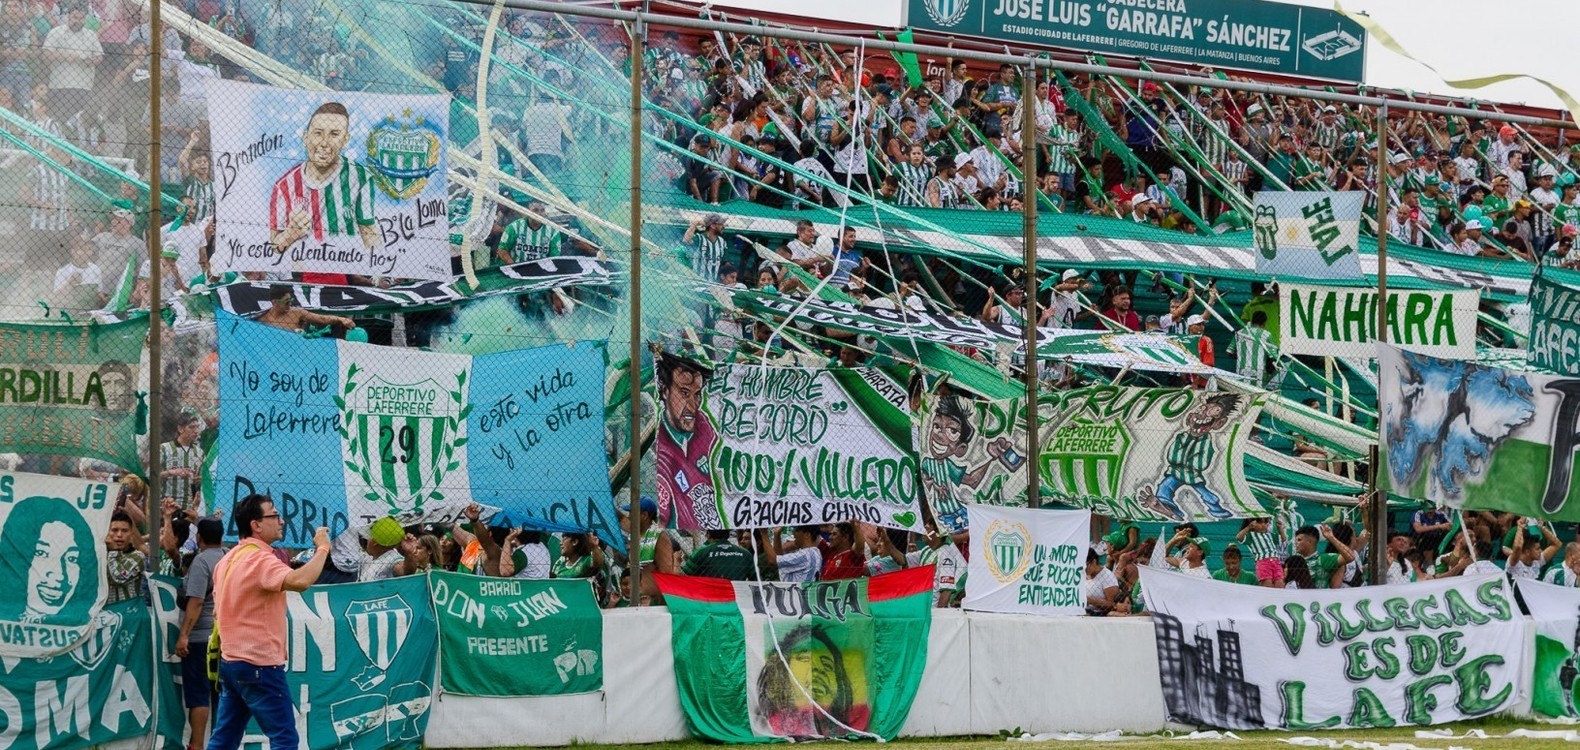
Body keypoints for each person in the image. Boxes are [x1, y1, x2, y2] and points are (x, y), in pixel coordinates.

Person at [207, 494, 331, 750]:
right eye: (274, 515)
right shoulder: (259, 560)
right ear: (256, 525)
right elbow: (300, 581)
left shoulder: (227, 560)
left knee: (224, 739)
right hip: (259, 665)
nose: (281, 520)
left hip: (232, 663)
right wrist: (323, 548)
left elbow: (217, 613)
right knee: (284, 739)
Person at [267, 102, 381, 255]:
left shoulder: (361, 178)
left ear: (345, 140)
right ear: (306, 138)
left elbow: (368, 232)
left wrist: (379, 271)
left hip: (346, 269)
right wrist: (290, 234)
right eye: (318, 133)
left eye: (334, 134)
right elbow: (273, 248)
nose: (324, 143)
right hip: (300, 272)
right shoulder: (284, 186)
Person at [653, 352, 720, 529]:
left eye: (697, 395)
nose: (692, 405)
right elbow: (661, 519)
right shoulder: (662, 448)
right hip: (680, 536)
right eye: (684, 393)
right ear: (665, 391)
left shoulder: (706, 427)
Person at [177, 518, 226, 750]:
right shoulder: (229, 557)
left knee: (198, 695)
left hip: (200, 639)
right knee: (221, 694)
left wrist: (184, 634)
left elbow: (195, 602)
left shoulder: (201, 561)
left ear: (199, 538)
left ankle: (196, 745)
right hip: (223, 637)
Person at [255, 285, 356, 334]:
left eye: (291, 300)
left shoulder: (297, 313)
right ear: (274, 302)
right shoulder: (263, 319)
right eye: (286, 302)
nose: (290, 304)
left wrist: (340, 319)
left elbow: (321, 319)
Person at [1292, 524, 1354, 589]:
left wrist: (1331, 538)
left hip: (1320, 598)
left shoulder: (1323, 559)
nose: (1296, 543)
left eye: (1299, 540)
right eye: (1295, 540)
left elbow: (1350, 557)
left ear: (1310, 542)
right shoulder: (1295, 561)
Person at [104, 511, 145, 603]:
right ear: (106, 532)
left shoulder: (137, 556)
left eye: (124, 531)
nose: (119, 535)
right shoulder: (100, 555)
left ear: (131, 535)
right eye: (114, 530)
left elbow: (118, 578)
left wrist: (114, 550)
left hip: (128, 613)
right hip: (103, 613)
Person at [682, 529, 754, 580]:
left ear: (708, 534)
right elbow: (755, 578)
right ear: (728, 534)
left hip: (708, 596)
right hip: (736, 594)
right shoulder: (745, 554)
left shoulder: (701, 552)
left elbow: (685, 574)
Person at [1083, 549, 1122, 614]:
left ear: (1094, 562)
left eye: (1086, 565)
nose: (1084, 568)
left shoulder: (1108, 576)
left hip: (1099, 614)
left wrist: (1091, 601)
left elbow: (1113, 605)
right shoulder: (1082, 574)